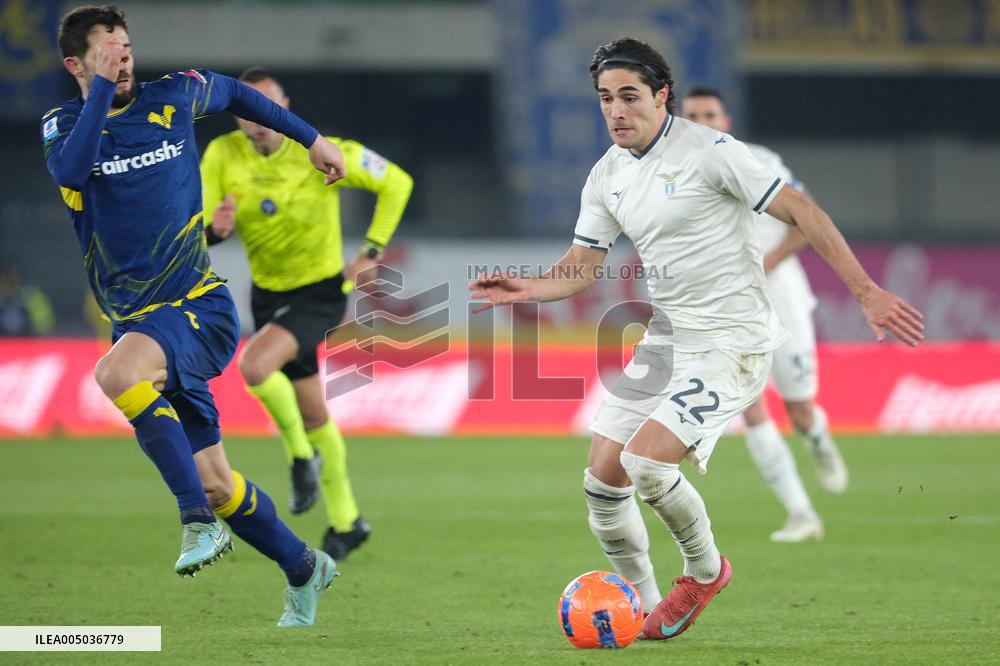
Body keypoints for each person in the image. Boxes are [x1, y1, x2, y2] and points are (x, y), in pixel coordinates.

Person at [469, 37, 923, 641]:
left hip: (731, 341)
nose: (615, 111)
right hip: (669, 338)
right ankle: (644, 608)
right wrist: (526, 289)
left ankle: (705, 571)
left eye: (629, 96)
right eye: (605, 98)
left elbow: (805, 212)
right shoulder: (608, 173)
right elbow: (581, 267)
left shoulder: (712, 152)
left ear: (662, 96)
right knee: (602, 482)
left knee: (645, 465)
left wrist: (867, 291)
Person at [41, 5, 347, 627]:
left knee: (114, 377)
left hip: (196, 307)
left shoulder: (172, 97)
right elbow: (72, 171)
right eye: (107, 52)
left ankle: (195, 523)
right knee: (216, 479)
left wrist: (311, 138)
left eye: (125, 48)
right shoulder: (65, 124)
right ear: (77, 64)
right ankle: (303, 566)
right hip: (141, 326)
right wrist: (101, 86)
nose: (122, 59)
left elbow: (235, 91)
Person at [200, 66, 412, 560]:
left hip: (320, 290)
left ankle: (300, 456)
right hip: (268, 292)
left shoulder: (321, 151)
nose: (261, 121)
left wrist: (372, 252)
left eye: (270, 109)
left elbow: (397, 183)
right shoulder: (220, 155)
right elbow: (208, 225)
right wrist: (216, 230)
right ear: (238, 119)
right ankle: (347, 521)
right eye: (250, 112)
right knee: (315, 410)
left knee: (254, 365)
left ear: (285, 109)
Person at [681, 85, 846, 543]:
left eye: (709, 114)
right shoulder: (669, 176)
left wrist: (766, 264)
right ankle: (800, 512)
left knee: (799, 410)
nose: (702, 122)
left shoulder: (760, 161)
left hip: (780, 295)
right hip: (727, 307)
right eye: (692, 115)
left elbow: (807, 222)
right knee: (750, 409)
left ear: (726, 121)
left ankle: (817, 439)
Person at [0, 263, 55, 336]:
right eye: (8, 277)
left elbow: (44, 323)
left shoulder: (32, 296)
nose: (11, 281)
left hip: (28, 342)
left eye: (14, 277)